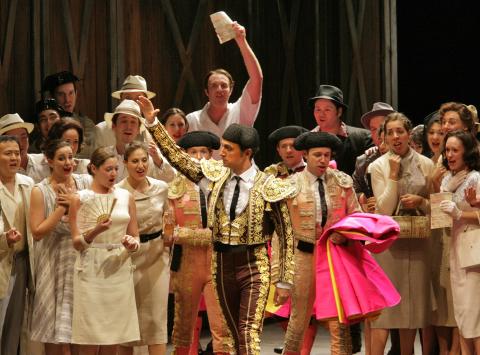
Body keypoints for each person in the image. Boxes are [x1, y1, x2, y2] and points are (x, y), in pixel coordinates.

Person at [141, 102, 294, 355]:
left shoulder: (269, 185)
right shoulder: (213, 176)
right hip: (220, 263)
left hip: (254, 264)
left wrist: (285, 280)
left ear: (247, 153)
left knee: (247, 333)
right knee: (231, 334)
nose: (220, 153)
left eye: (227, 148)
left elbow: (286, 235)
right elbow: (178, 159)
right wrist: (152, 124)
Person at [281, 132, 363, 355]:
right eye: (317, 155)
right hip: (303, 256)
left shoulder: (342, 181)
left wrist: (344, 234)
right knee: (299, 318)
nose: (323, 160)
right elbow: (283, 231)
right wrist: (280, 273)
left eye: (327, 155)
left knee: (339, 319)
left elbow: (357, 217)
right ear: (305, 155)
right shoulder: (290, 185)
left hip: (334, 255)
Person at [368, 112, 434, 355]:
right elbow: (384, 209)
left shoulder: (426, 164)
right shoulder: (378, 166)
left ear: (408, 134)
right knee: (385, 312)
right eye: (390, 132)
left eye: (400, 131)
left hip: (417, 244)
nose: (396, 136)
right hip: (389, 247)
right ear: (383, 137)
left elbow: (433, 204)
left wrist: (420, 201)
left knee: (410, 312)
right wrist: (393, 175)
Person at [68, 147, 141, 355]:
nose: (113, 174)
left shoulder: (126, 196)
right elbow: (77, 242)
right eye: (108, 169)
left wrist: (132, 244)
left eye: (116, 169)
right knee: (90, 334)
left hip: (119, 265)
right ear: (93, 168)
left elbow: (136, 236)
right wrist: (95, 231)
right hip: (91, 268)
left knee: (114, 334)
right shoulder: (80, 198)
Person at [168, 131, 231, 355]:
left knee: (222, 324)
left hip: (218, 259)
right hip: (187, 261)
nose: (199, 157)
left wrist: (188, 234)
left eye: (203, 151)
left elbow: (228, 227)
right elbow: (170, 233)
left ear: (211, 154)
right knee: (183, 324)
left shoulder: (224, 185)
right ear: (184, 155)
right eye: (193, 152)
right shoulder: (175, 187)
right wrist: (205, 235)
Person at [29, 139, 91, 354]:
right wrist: (61, 209)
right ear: (49, 161)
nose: (68, 162)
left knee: (80, 329)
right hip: (52, 262)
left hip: (80, 260)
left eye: (70, 157)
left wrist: (74, 203)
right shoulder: (40, 190)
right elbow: (37, 232)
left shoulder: (84, 183)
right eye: (61, 158)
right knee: (53, 332)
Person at [116, 142, 170, 355]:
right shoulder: (118, 191)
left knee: (156, 321)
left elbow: (167, 218)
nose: (140, 165)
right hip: (127, 258)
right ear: (125, 163)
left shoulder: (161, 188)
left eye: (144, 160)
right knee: (126, 322)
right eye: (135, 161)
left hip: (156, 256)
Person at [186, 22, 263, 160]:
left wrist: (241, 41)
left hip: (239, 178)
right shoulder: (192, 120)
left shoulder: (241, 111)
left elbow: (257, 78)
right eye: (214, 86)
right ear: (206, 92)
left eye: (224, 85)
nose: (219, 90)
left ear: (231, 90)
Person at [439, 130, 480, 355]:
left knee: (474, 320)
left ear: (467, 153)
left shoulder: (475, 177)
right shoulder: (448, 179)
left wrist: (459, 214)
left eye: (456, 150)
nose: (451, 154)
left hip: (474, 254)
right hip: (456, 250)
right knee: (463, 317)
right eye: (448, 150)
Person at [0, 135, 35, 355]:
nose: (14, 157)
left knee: (14, 327)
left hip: (22, 261)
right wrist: (5, 239)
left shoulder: (27, 183)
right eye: (7, 153)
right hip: (1, 259)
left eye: (16, 152)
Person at [105, 99, 174, 183]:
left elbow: (169, 178)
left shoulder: (147, 156)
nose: (128, 126)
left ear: (138, 129)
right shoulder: (105, 156)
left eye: (133, 122)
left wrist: (157, 159)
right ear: (113, 126)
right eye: (123, 121)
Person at [309, 84, 373, 176]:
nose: (321, 114)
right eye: (317, 109)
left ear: (339, 112)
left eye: (327, 110)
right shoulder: (308, 140)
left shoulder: (362, 138)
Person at [42, 71, 96, 159]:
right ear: (52, 97)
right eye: (61, 94)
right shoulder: (46, 124)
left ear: (76, 93)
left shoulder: (86, 124)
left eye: (71, 93)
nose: (67, 100)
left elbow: (87, 153)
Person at [95, 75, 156, 149]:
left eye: (138, 98)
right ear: (120, 100)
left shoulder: (153, 131)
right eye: (128, 98)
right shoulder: (102, 130)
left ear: (145, 102)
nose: (133, 102)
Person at [353, 102, 395, 209]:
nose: (378, 134)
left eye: (381, 128)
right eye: (373, 129)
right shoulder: (363, 161)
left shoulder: (407, 156)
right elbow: (353, 191)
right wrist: (365, 198)